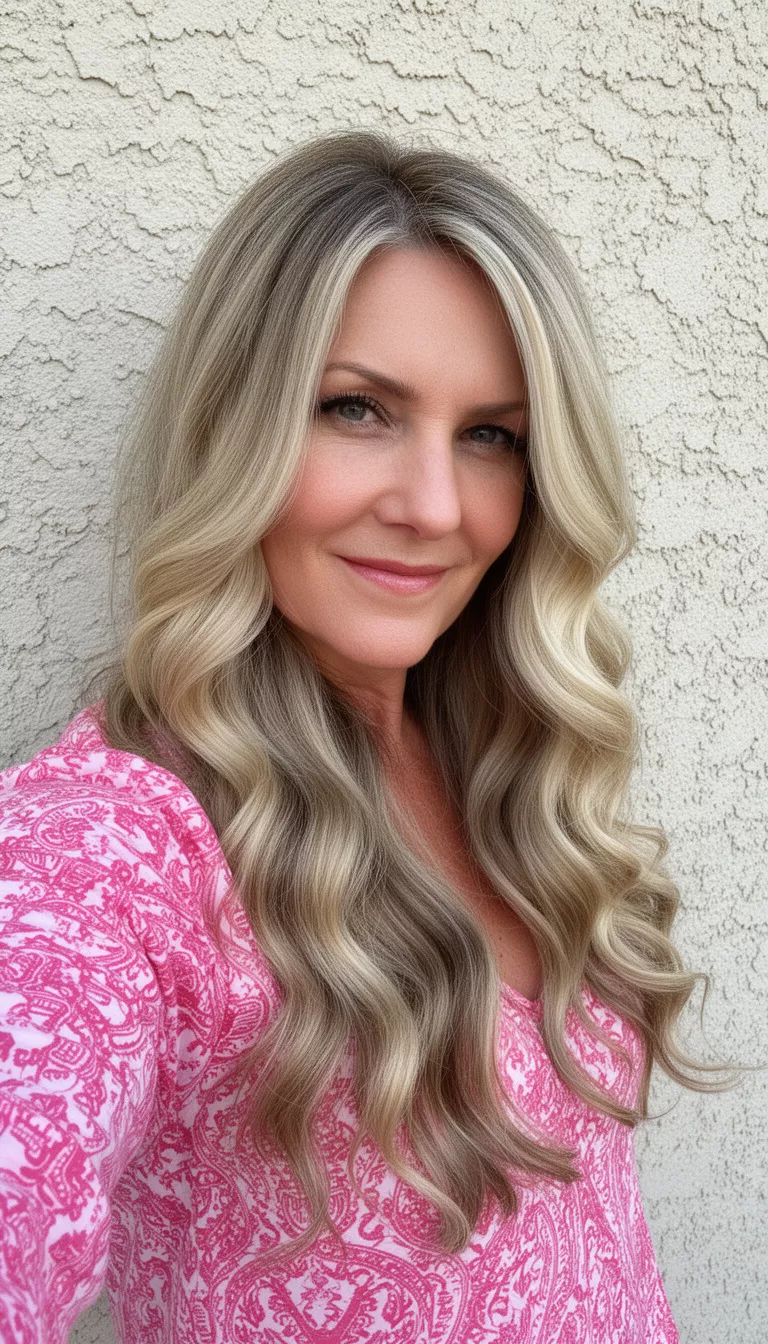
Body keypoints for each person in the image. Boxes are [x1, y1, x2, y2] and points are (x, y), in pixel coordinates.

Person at [0, 129, 728, 1344]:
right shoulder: (127, 840)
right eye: (356, 409)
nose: (436, 507)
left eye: (491, 435)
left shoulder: (504, 769)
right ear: (233, 429)